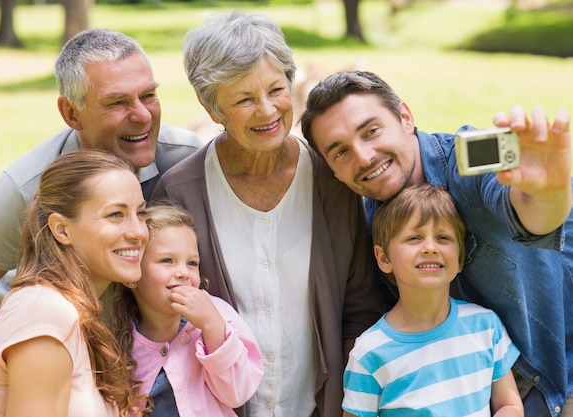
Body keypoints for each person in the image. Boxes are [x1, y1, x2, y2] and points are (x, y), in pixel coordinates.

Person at [151, 12, 385, 417]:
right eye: (243, 99)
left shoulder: (333, 182)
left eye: (276, 89)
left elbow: (360, 305)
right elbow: (158, 316)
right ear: (212, 109)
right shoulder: (180, 192)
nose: (267, 111)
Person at [300, 70, 572, 417]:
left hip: (556, 377)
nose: (364, 157)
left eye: (371, 131)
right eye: (340, 152)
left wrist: (548, 191)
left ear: (405, 117)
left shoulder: (469, 155)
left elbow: (531, 211)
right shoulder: (366, 225)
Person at [0, 27, 203, 378]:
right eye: (117, 102)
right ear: (71, 113)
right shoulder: (27, 187)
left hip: (131, 364)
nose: (142, 115)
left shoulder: (187, 163)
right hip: (42, 355)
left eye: (148, 95)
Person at [0, 149, 149, 416]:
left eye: (140, 213)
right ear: (62, 230)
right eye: (116, 215)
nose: (138, 232)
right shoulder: (43, 312)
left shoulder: (74, 308)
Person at [343, 183, 523, 417]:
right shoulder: (369, 353)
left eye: (443, 237)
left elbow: (510, 405)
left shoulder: (485, 326)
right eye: (414, 237)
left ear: (459, 258)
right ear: (384, 257)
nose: (430, 247)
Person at [111, 201, 263, 417]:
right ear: (132, 274)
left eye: (192, 263)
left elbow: (237, 393)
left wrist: (212, 327)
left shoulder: (216, 313)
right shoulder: (115, 337)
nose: (183, 272)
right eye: (167, 260)